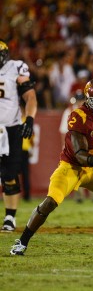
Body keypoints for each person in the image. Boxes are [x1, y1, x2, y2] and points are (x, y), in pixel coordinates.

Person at [10, 77, 93, 255]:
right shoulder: (79, 116)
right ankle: (22, 241)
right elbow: (80, 155)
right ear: (90, 102)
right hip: (73, 167)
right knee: (50, 202)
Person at [0, 40, 37, 232]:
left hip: (10, 129)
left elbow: (29, 96)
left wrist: (29, 119)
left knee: (9, 175)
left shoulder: (15, 68)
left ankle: (9, 217)